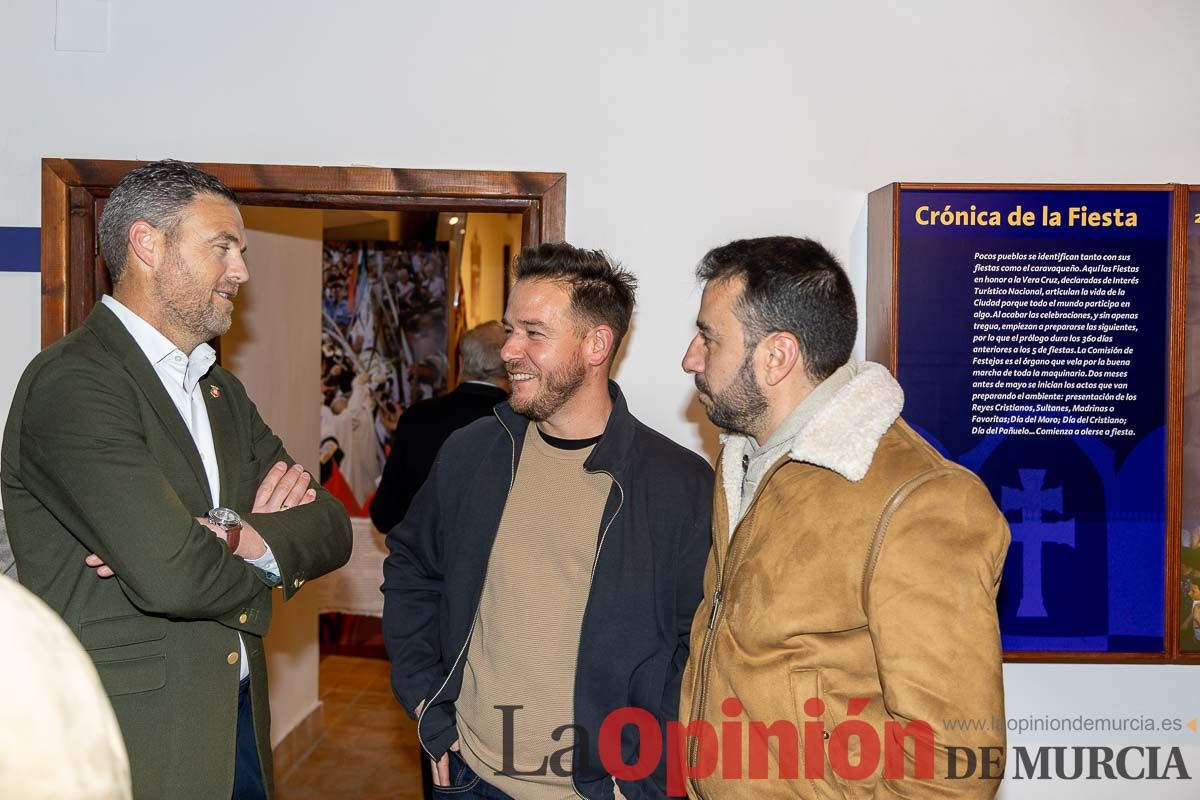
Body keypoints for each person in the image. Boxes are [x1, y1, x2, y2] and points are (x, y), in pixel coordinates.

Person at [1, 159, 353, 800]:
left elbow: (329, 526)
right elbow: (170, 570)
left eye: (241, 251)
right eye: (223, 247)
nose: (242, 271)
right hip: (139, 734)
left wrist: (230, 535)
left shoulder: (217, 388)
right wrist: (261, 554)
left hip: (237, 715)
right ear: (147, 245)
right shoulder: (74, 383)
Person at [678, 236, 1009, 798]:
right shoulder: (745, 462)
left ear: (777, 356)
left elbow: (956, 763)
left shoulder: (922, 500)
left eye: (709, 337)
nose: (690, 357)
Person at [382, 243, 714, 800]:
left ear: (596, 345)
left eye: (533, 333)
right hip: (469, 778)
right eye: (511, 330)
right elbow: (413, 567)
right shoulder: (473, 452)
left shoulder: (677, 483)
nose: (510, 349)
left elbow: (695, 646)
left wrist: (646, 777)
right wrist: (425, 699)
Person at [370, 320, 510, 534]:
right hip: (490, 564)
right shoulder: (519, 425)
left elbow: (385, 515)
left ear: (461, 363)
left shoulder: (417, 418)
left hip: (422, 562)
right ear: (509, 368)